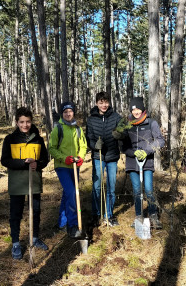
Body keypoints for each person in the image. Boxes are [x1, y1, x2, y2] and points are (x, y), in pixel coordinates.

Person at [1, 107, 49, 260]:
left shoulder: (38, 139)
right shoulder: (10, 139)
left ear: (31, 122)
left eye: (28, 122)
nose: (25, 125)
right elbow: (5, 160)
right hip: (17, 183)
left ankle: (34, 238)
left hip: (34, 182)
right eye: (22, 122)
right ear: (17, 122)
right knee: (16, 213)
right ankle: (15, 243)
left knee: (35, 211)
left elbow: (45, 159)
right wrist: (23, 163)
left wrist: (38, 164)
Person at [122, 97, 164, 229]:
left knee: (149, 189)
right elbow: (123, 146)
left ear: (142, 109)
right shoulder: (127, 125)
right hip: (132, 163)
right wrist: (133, 152)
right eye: (133, 110)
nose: (136, 112)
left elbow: (160, 140)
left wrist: (146, 151)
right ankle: (139, 216)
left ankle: (153, 215)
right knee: (136, 190)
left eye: (138, 109)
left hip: (147, 162)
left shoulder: (151, 123)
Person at [49, 101, 87, 238]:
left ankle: (62, 222)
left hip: (74, 166)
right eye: (65, 112)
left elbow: (83, 146)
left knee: (67, 194)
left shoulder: (78, 129)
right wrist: (64, 158)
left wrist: (80, 157)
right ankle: (72, 225)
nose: (68, 114)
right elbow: (51, 148)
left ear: (73, 113)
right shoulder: (58, 128)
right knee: (72, 193)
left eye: (70, 111)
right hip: (62, 166)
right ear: (62, 114)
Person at [86, 91, 122, 227]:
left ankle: (109, 215)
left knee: (111, 187)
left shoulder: (116, 117)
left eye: (106, 102)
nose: (104, 105)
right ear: (97, 103)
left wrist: (120, 135)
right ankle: (96, 214)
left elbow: (124, 130)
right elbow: (88, 137)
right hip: (98, 157)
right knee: (96, 186)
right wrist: (94, 145)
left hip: (112, 157)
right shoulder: (91, 119)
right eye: (101, 102)